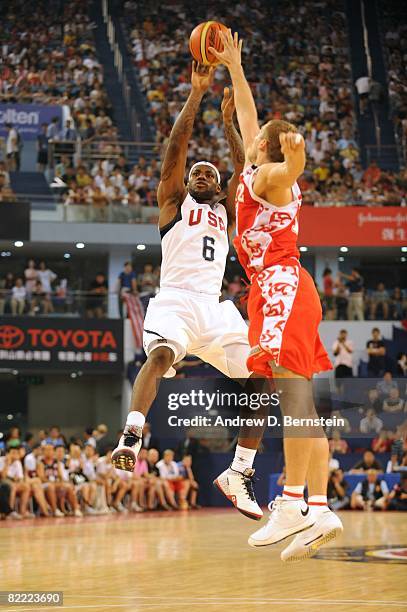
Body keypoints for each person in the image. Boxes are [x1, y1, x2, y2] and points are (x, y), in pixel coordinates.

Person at [209, 30, 342, 562]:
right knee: (303, 399)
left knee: (291, 396)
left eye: (258, 134)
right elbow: (246, 113)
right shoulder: (252, 168)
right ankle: (320, 506)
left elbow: (288, 172)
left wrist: (296, 160)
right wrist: (236, 70)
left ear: (267, 145)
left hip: (282, 287)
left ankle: (290, 503)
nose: (251, 130)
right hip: (290, 288)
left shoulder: (268, 176)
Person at [112, 64, 266, 521]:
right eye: (195, 173)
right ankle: (132, 434)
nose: (199, 174)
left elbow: (245, 170)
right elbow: (174, 153)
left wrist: (226, 124)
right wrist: (196, 95)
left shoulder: (227, 210)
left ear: (218, 188)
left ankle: (239, 471)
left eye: (207, 173)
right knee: (159, 359)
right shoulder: (173, 205)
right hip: (176, 299)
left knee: (264, 376)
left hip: (215, 311)